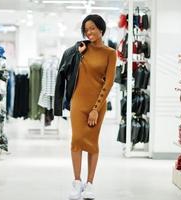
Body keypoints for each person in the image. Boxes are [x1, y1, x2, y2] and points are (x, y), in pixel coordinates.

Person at [54, 14, 117, 199]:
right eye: (86, 29)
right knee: (76, 141)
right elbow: (67, 71)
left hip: (96, 105)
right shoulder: (80, 50)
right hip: (77, 102)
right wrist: (78, 54)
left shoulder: (110, 53)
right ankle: (76, 182)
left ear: (101, 29)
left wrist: (96, 109)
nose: (89, 32)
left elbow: (108, 84)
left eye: (93, 28)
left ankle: (90, 184)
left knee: (91, 143)